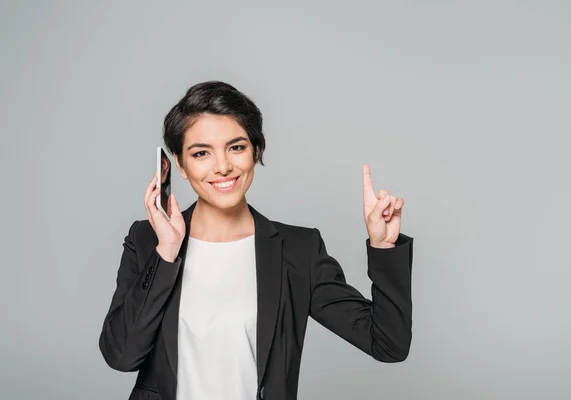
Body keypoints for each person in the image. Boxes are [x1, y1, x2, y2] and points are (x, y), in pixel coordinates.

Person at [98, 81, 414, 400]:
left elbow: (388, 344)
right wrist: (166, 251)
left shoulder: (298, 250)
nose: (222, 166)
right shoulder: (146, 239)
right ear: (179, 164)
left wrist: (384, 248)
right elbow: (121, 356)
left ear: (255, 151)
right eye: (201, 153)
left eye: (236, 147)